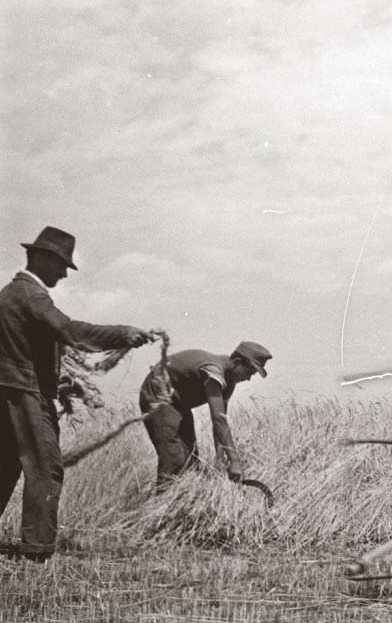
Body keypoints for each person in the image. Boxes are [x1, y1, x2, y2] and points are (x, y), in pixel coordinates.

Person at [0, 226, 155, 562]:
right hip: (27, 393)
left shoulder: (11, 293)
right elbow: (69, 330)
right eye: (60, 266)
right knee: (46, 468)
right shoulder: (32, 295)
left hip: (9, 391)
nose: (63, 274)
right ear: (40, 258)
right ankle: (36, 552)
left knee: (6, 465)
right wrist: (122, 334)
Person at [139, 341, 271, 490]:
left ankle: (179, 507)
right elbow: (218, 420)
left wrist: (220, 460)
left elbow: (220, 425)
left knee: (191, 462)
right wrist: (235, 461)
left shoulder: (228, 383)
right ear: (238, 362)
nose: (248, 378)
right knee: (174, 459)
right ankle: (159, 508)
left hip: (177, 403)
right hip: (157, 393)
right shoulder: (214, 370)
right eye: (249, 373)